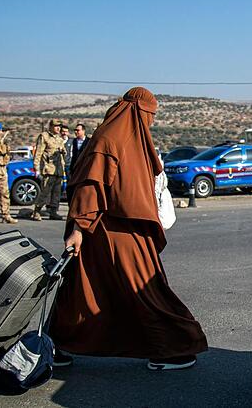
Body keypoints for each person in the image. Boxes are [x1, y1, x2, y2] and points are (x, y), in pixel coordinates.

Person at [49, 87, 207, 370]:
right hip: (110, 232)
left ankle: (54, 343)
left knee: (87, 288)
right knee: (138, 289)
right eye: (150, 115)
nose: (152, 121)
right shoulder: (109, 140)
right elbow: (90, 187)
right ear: (136, 111)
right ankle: (174, 347)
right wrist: (79, 228)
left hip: (122, 231)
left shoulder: (128, 140)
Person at [32, 119, 66, 221]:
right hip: (48, 170)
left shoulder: (59, 139)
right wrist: (36, 168)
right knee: (45, 192)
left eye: (59, 126)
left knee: (56, 193)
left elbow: (64, 153)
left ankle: (53, 211)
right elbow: (38, 153)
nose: (58, 128)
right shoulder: (44, 137)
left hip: (58, 170)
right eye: (56, 126)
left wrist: (63, 152)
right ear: (51, 126)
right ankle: (37, 211)